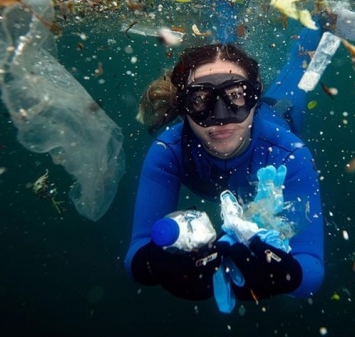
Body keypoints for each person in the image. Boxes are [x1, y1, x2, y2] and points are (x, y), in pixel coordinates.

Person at [123, 22, 325, 303]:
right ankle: (225, 25)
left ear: (254, 100)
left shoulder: (289, 152)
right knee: (224, 41)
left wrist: (286, 275)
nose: (220, 118)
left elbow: (312, 265)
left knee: (297, 69)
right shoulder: (168, 151)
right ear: (182, 106)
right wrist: (155, 264)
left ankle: (316, 21)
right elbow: (137, 253)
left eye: (236, 96)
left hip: (283, 113)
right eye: (200, 100)